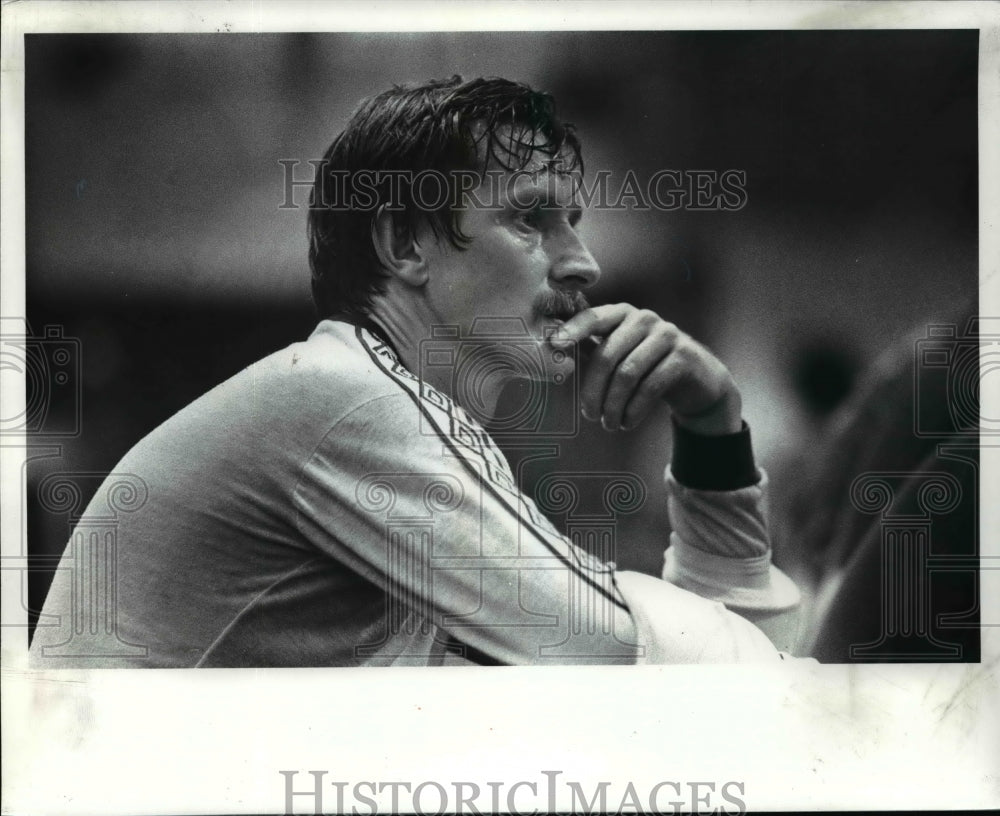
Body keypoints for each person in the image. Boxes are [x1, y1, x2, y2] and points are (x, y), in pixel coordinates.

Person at [30, 76, 801, 667]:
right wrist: (716, 433)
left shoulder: (369, 401)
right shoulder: (346, 403)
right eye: (531, 218)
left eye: (575, 221)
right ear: (405, 245)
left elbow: (699, 677)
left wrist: (712, 432)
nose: (584, 261)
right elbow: (666, 670)